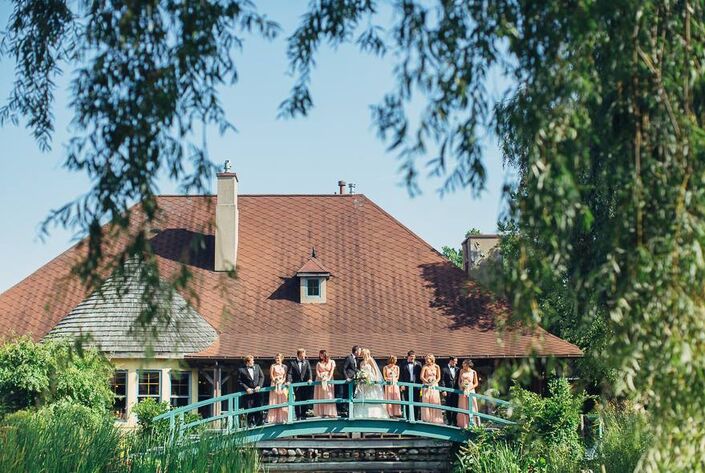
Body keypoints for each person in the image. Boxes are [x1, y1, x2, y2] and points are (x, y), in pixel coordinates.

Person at [353, 348, 389, 419]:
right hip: (363, 380)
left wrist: (376, 377)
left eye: (363, 354)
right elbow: (361, 371)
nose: (362, 355)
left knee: (372, 394)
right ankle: (362, 414)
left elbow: (375, 369)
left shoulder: (370, 360)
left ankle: (374, 413)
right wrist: (360, 376)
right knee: (363, 394)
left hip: (370, 378)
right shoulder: (361, 362)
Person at [237, 355, 265, 427]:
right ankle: (250, 425)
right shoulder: (241, 370)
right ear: (247, 362)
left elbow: (262, 377)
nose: (253, 362)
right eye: (252, 361)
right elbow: (239, 381)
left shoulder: (257, 366)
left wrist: (259, 386)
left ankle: (259, 425)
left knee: (259, 408)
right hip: (248, 393)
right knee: (249, 409)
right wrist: (246, 388)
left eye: (253, 360)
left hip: (258, 392)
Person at [287, 348, 313, 420]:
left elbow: (309, 371)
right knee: (297, 399)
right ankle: (298, 416)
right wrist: (288, 381)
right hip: (296, 384)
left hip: (304, 384)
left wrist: (310, 379)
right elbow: (289, 373)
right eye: (302, 356)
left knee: (304, 399)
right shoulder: (292, 363)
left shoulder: (306, 362)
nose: (304, 357)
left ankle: (304, 415)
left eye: (304, 356)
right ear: (298, 355)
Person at [420, 353, 443, 424]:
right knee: (426, 400)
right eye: (426, 359)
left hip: (434, 385)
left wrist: (434, 382)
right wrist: (427, 382)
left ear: (432, 359)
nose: (427, 361)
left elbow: (439, 377)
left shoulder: (437, 367)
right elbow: (421, 377)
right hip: (426, 385)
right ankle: (427, 418)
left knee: (434, 400)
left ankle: (435, 419)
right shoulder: (425, 367)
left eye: (428, 359)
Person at [399, 350, 422, 420]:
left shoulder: (418, 364)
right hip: (406, 385)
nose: (413, 358)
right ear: (408, 356)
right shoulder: (403, 364)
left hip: (416, 385)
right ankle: (408, 417)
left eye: (414, 356)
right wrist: (402, 385)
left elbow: (420, 375)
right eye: (411, 356)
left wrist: (420, 385)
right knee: (407, 402)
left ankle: (416, 418)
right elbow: (401, 375)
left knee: (416, 402)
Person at [457, 359, 480, 428]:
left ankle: (474, 423)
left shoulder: (473, 372)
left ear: (467, 365)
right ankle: (464, 423)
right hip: (463, 391)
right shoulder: (461, 371)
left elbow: (476, 383)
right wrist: (461, 386)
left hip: (471, 390)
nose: (462, 365)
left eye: (463, 364)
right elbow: (459, 381)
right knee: (463, 406)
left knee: (472, 406)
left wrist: (469, 388)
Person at [313, 350, 337, 417]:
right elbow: (317, 372)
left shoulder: (332, 362)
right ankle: (321, 413)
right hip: (320, 380)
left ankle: (329, 412)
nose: (320, 356)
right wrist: (321, 377)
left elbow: (332, 371)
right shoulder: (318, 363)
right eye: (320, 355)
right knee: (321, 396)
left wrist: (328, 378)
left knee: (329, 395)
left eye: (322, 355)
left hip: (328, 379)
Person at [267, 353, 289, 424]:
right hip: (275, 384)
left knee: (283, 400)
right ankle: (273, 419)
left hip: (282, 384)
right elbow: (271, 376)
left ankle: (283, 418)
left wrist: (282, 382)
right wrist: (276, 381)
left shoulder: (284, 366)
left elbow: (285, 376)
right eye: (276, 358)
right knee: (274, 400)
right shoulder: (273, 366)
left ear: (281, 359)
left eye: (278, 358)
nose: (277, 360)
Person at [340, 345, 360, 417]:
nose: (360, 353)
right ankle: (344, 411)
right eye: (359, 351)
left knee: (352, 394)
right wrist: (347, 378)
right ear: (356, 351)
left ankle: (350, 411)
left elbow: (355, 369)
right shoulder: (349, 358)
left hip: (354, 380)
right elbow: (344, 368)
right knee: (346, 394)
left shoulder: (356, 359)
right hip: (348, 380)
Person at [441, 356, 460, 425]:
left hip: (456, 390)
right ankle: (449, 421)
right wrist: (443, 390)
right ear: (451, 361)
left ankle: (454, 421)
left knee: (455, 405)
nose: (456, 363)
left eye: (456, 362)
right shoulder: (444, 369)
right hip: (447, 390)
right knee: (448, 405)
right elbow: (442, 380)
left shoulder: (458, 369)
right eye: (455, 361)